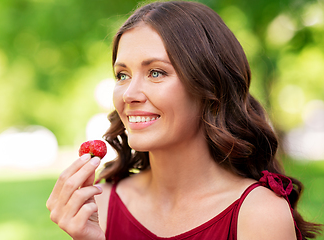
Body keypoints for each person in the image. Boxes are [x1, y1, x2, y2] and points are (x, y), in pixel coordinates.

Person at [46, 1, 322, 239]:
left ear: (209, 86)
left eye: (156, 72)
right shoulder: (100, 206)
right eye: (122, 75)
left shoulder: (259, 214)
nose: (128, 94)